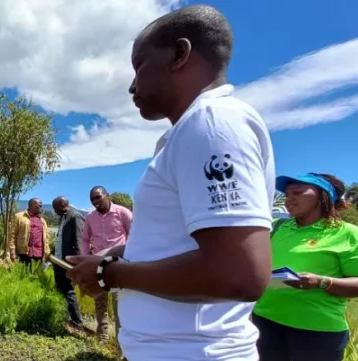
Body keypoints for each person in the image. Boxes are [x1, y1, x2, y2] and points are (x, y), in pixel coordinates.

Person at [66, 5, 275, 361]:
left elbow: (239, 273)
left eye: (139, 65)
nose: (132, 84)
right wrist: (115, 257)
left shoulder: (211, 124)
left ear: (180, 54)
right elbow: (176, 246)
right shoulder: (191, 133)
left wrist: (109, 273)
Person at [252, 173, 358, 361]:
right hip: (265, 321)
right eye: (286, 194)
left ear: (323, 196)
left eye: (297, 192)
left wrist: (322, 282)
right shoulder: (277, 226)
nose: (288, 198)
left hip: (318, 331)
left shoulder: (347, 233)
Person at [81, 186, 132, 341]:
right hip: (98, 264)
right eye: (92, 199)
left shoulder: (123, 213)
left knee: (119, 304)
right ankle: (102, 336)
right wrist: (85, 258)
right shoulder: (90, 217)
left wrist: (129, 255)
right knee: (100, 301)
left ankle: (120, 342)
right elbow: (85, 239)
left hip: (118, 265)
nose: (95, 201)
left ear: (107, 195)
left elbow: (134, 234)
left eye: (98, 197)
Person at [51, 196, 85, 331]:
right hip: (58, 261)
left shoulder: (75, 217)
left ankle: (77, 323)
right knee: (61, 289)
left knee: (69, 292)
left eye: (55, 208)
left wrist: (76, 265)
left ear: (63, 204)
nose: (54, 211)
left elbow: (78, 242)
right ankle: (66, 317)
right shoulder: (64, 217)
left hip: (67, 263)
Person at [7, 198, 50, 267]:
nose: (41, 207)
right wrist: (12, 250)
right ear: (32, 205)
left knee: (36, 276)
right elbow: (12, 235)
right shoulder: (19, 216)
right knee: (22, 275)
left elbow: (47, 238)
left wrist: (47, 252)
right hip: (23, 253)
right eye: (39, 206)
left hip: (39, 254)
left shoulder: (42, 221)